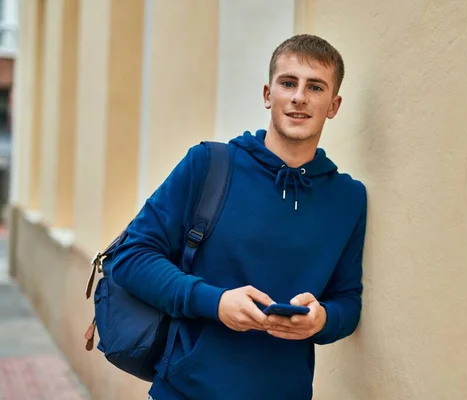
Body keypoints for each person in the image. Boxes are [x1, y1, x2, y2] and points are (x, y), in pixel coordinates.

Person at [112, 34, 368, 400]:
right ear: (268, 94)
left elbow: (348, 300)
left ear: (334, 104)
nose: (299, 97)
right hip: (186, 391)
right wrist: (214, 302)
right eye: (288, 83)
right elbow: (131, 257)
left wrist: (323, 319)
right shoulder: (209, 165)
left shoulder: (348, 198)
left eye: (315, 87)